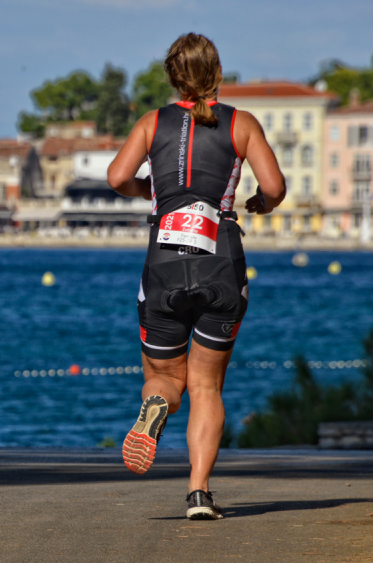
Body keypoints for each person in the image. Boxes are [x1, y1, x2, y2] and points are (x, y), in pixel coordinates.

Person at [107, 33, 285, 520]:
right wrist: (261, 204)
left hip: (163, 264)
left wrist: (151, 188)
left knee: (164, 377)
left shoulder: (152, 122)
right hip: (221, 263)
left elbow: (116, 177)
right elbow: (274, 187)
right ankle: (199, 493)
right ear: (218, 76)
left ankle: (154, 411)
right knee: (207, 387)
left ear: (172, 76)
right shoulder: (240, 124)